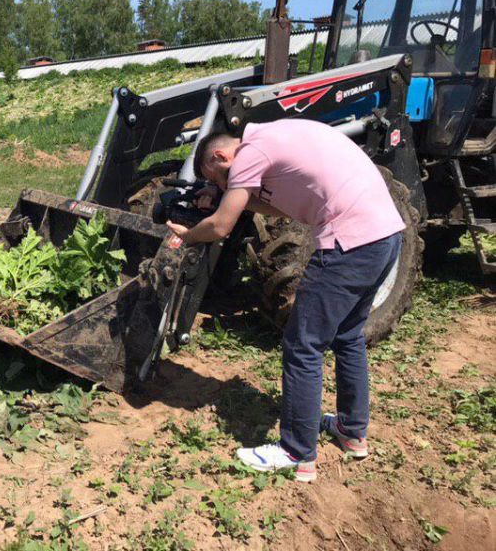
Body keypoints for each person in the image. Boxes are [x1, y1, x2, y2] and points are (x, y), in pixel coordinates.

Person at [166, 118, 404, 482]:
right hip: (385, 236)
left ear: (220, 155)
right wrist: (232, 198)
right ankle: (352, 431)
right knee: (348, 335)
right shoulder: (276, 138)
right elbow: (288, 210)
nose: (216, 184)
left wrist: (190, 235)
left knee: (302, 344)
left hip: (348, 242)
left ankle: (296, 452)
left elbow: (219, 228)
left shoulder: (250, 152)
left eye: (214, 177)